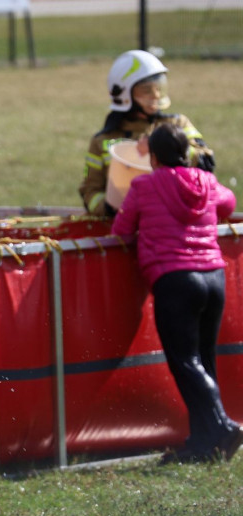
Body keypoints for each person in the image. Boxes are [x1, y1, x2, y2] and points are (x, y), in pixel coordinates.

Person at [111, 122, 241, 464]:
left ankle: (222, 426)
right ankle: (204, 444)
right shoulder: (207, 182)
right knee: (203, 359)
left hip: (175, 281)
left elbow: (122, 230)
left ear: (153, 157)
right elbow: (228, 204)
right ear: (187, 154)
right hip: (213, 277)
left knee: (185, 361)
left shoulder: (144, 184)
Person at [79, 50, 215, 217]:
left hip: (176, 221)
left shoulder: (178, 125)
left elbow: (207, 163)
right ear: (124, 95)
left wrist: (162, 145)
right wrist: (109, 208)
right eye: (146, 90)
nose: (156, 95)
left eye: (158, 88)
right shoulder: (102, 141)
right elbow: (90, 192)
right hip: (124, 229)